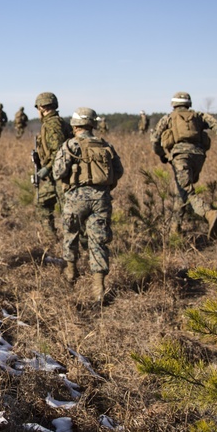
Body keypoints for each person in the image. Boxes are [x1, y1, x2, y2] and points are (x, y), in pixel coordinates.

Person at [52, 107, 124, 302]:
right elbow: (118, 171)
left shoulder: (70, 145)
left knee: (71, 235)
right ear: (92, 124)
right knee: (98, 241)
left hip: (76, 198)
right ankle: (98, 288)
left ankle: (70, 274)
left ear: (75, 125)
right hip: (101, 199)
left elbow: (57, 172)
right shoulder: (105, 145)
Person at [150, 91, 217, 239]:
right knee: (181, 190)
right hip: (199, 157)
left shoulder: (168, 118)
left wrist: (162, 155)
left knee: (186, 191)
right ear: (189, 103)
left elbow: (154, 140)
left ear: (173, 104)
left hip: (180, 157)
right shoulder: (200, 117)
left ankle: (209, 213)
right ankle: (175, 230)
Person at [32, 92, 73, 246]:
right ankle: (53, 241)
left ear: (42, 107)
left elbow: (58, 152)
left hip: (60, 175)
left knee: (67, 211)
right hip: (57, 174)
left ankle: (72, 247)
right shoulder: (58, 122)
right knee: (42, 201)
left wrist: (46, 169)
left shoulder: (52, 124)